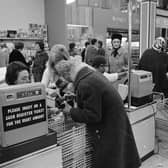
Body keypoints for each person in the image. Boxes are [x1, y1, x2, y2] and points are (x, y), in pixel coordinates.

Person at [54, 59, 141, 168]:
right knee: (121, 157)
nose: (67, 83)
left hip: (109, 128)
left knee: (110, 161)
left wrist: (70, 111)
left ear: (67, 74)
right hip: (115, 122)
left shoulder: (85, 84)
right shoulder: (91, 75)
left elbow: (93, 115)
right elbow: (96, 99)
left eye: (64, 78)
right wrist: (76, 97)